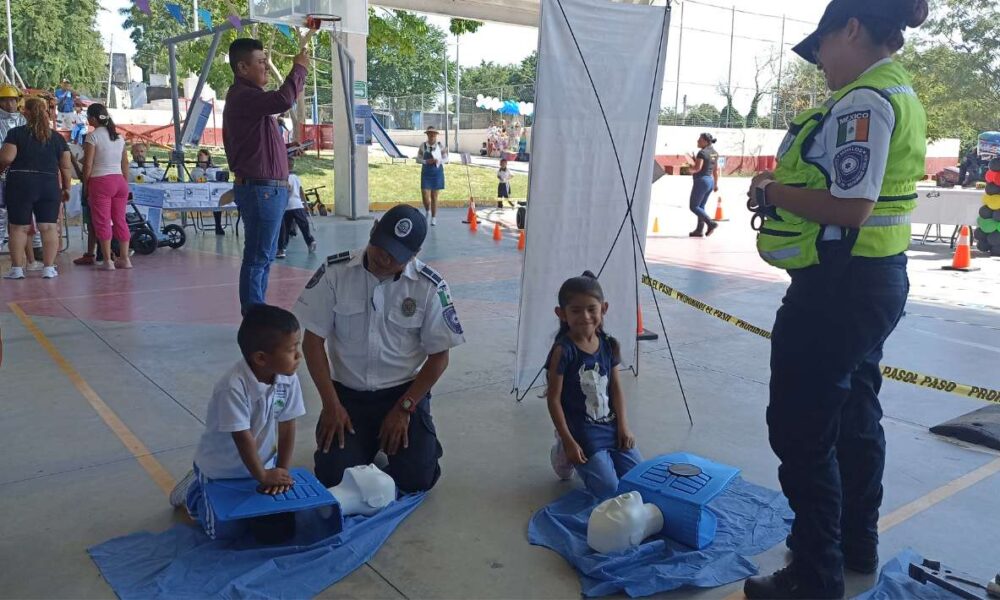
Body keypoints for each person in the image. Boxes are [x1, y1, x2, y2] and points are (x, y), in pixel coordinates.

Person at [742, 0, 929, 597]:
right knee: (854, 411)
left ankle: (815, 572)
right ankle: (853, 541)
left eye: (820, 47)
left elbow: (851, 206)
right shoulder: (899, 91)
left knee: (801, 425)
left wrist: (774, 191)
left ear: (850, 29)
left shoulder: (865, 101)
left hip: (839, 288)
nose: (819, 61)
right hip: (874, 279)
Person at [294, 204, 465, 493]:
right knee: (332, 478)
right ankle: (367, 442)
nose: (384, 259)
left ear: (413, 255)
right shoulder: (335, 273)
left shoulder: (429, 286)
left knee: (417, 479)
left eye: (395, 256)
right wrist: (331, 405)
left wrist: (405, 408)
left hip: (402, 395)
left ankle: (419, 437)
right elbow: (312, 342)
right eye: (381, 247)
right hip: (348, 396)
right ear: (373, 230)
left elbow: (439, 357)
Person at [168, 304, 307, 541]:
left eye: (298, 347)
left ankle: (251, 481)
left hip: (261, 462)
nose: (299, 355)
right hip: (221, 470)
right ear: (261, 358)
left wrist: (280, 469)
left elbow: (287, 426)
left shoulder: (287, 379)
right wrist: (262, 476)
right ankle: (193, 491)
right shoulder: (232, 387)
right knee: (225, 533)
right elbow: (242, 438)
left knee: (282, 522)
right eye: (292, 349)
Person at [223, 36, 310, 315]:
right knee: (258, 256)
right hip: (262, 190)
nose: (265, 68)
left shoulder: (250, 102)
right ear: (242, 68)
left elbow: (258, 147)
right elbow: (284, 98)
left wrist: (286, 149)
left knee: (263, 255)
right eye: (261, 62)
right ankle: (254, 315)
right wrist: (299, 68)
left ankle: (256, 309)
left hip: (267, 189)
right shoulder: (245, 96)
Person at [545, 271, 641, 499]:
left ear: (603, 309)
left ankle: (599, 456)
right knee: (608, 489)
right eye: (576, 311)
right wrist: (568, 441)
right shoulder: (563, 351)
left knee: (638, 480)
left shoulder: (609, 345)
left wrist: (623, 426)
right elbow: (553, 398)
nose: (585, 317)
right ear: (561, 314)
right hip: (581, 430)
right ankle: (561, 451)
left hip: (609, 425)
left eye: (591, 309)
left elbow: (616, 388)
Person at [0, 97, 73, 280]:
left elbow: (7, 158)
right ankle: (49, 268)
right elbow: (65, 166)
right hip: (48, 183)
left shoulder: (16, 133)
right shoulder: (57, 138)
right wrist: (66, 188)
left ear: (26, 112)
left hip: (20, 183)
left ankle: (17, 269)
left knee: (18, 228)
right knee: (48, 227)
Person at [83, 103, 131, 271]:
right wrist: (125, 182)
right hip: (119, 182)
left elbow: (88, 165)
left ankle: (108, 261)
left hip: (100, 181)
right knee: (120, 220)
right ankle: (125, 259)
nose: (88, 120)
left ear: (94, 118)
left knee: (102, 221)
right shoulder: (119, 137)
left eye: (88, 117)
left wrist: (85, 184)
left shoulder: (92, 136)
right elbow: (125, 163)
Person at [276, 156, 316, 259]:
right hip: (297, 205)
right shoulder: (295, 177)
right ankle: (310, 242)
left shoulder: (283, 177)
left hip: (287, 207)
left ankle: (282, 249)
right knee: (304, 225)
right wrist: (305, 204)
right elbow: (301, 191)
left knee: (284, 229)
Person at [687, 132, 720, 237]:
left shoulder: (702, 153)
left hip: (701, 181)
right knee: (701, 206)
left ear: (706, 141)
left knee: (694, 206)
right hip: (709, 182)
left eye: (700, 139)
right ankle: (699, 230)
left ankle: (711, 223)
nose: (698, 141)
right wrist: (715, 184)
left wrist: (689, 170)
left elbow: (697, 169)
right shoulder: (714, 153)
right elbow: (715, 170)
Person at [416, 126, 447, 226]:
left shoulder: (440, 146)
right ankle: (427, 210)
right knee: (425, 194)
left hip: (437, 173)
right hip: (426, 173)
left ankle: (433, 218)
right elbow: (417, 159)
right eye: (430, 133)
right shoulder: (423, 146)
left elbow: (446, 159)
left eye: (433, 134)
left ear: (436, 135)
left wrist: (439, 160)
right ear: (427, 135)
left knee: (434, 196)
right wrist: (426, 161)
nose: (432, 135)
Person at [191, 148, 225, 236]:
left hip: (214, 193)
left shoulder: (216, 169)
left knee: (217, 200)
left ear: (208, 157)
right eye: (199, 156)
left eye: (202, 156)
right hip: (200, 194)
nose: (200, 158)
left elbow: (221, 180)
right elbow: (191, 182)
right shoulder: (195, 171)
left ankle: (218, 225)